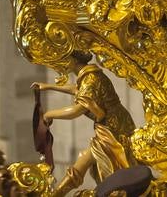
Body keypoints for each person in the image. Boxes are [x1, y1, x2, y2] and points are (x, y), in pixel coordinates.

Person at [31, 51, 136, 194]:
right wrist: (48, 86)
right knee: (95, 161)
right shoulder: (88, 76)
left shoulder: (91, 78)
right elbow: (77, 89)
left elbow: (77, 110)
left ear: (74, 60)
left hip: (113, 127)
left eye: (65, 59)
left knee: (87, 159)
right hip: (112, 124)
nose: (62, 64)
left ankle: (57, 194)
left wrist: (49, 115)